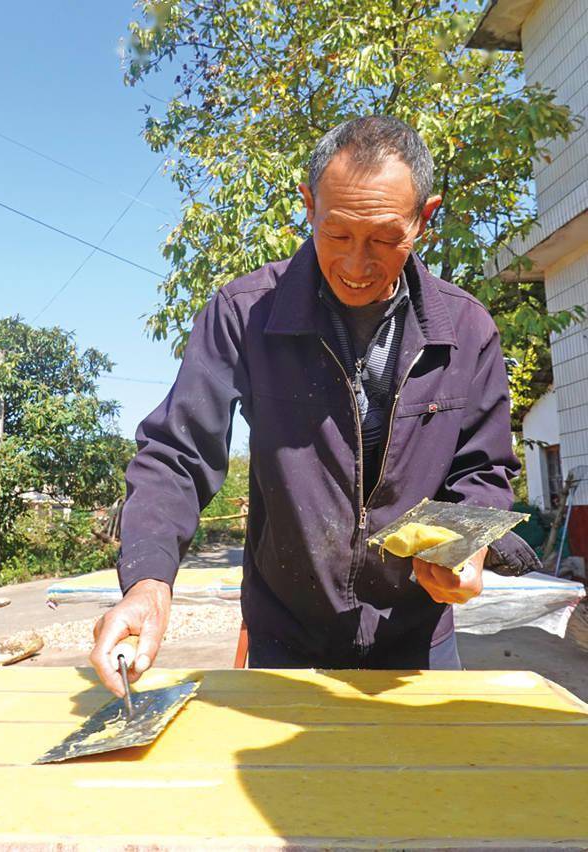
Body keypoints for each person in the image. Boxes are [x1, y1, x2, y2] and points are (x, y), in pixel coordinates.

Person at [91, 115, 530, 696]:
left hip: (419, 637)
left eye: (383, 239)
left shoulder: (468, 329)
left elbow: (483, 471)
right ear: (308, 206)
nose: (355, 265)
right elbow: (176, 454)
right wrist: (147, 580)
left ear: (424, 219)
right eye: (337, 234)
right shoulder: (244, 315)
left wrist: (464, 545)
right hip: (286, 641)